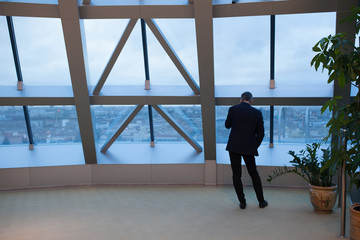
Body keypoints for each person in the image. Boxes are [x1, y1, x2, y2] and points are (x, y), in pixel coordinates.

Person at [225, 91, 268, 209]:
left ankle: (242, 202)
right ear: (251, 101)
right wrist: (254, 146)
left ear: (241, 99)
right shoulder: (257, 113)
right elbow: (261, 134)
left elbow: (227, 125)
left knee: (236, 175)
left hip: (234, 146)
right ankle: (261, 201)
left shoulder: (233, 109)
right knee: (254, 174)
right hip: (249, 147)